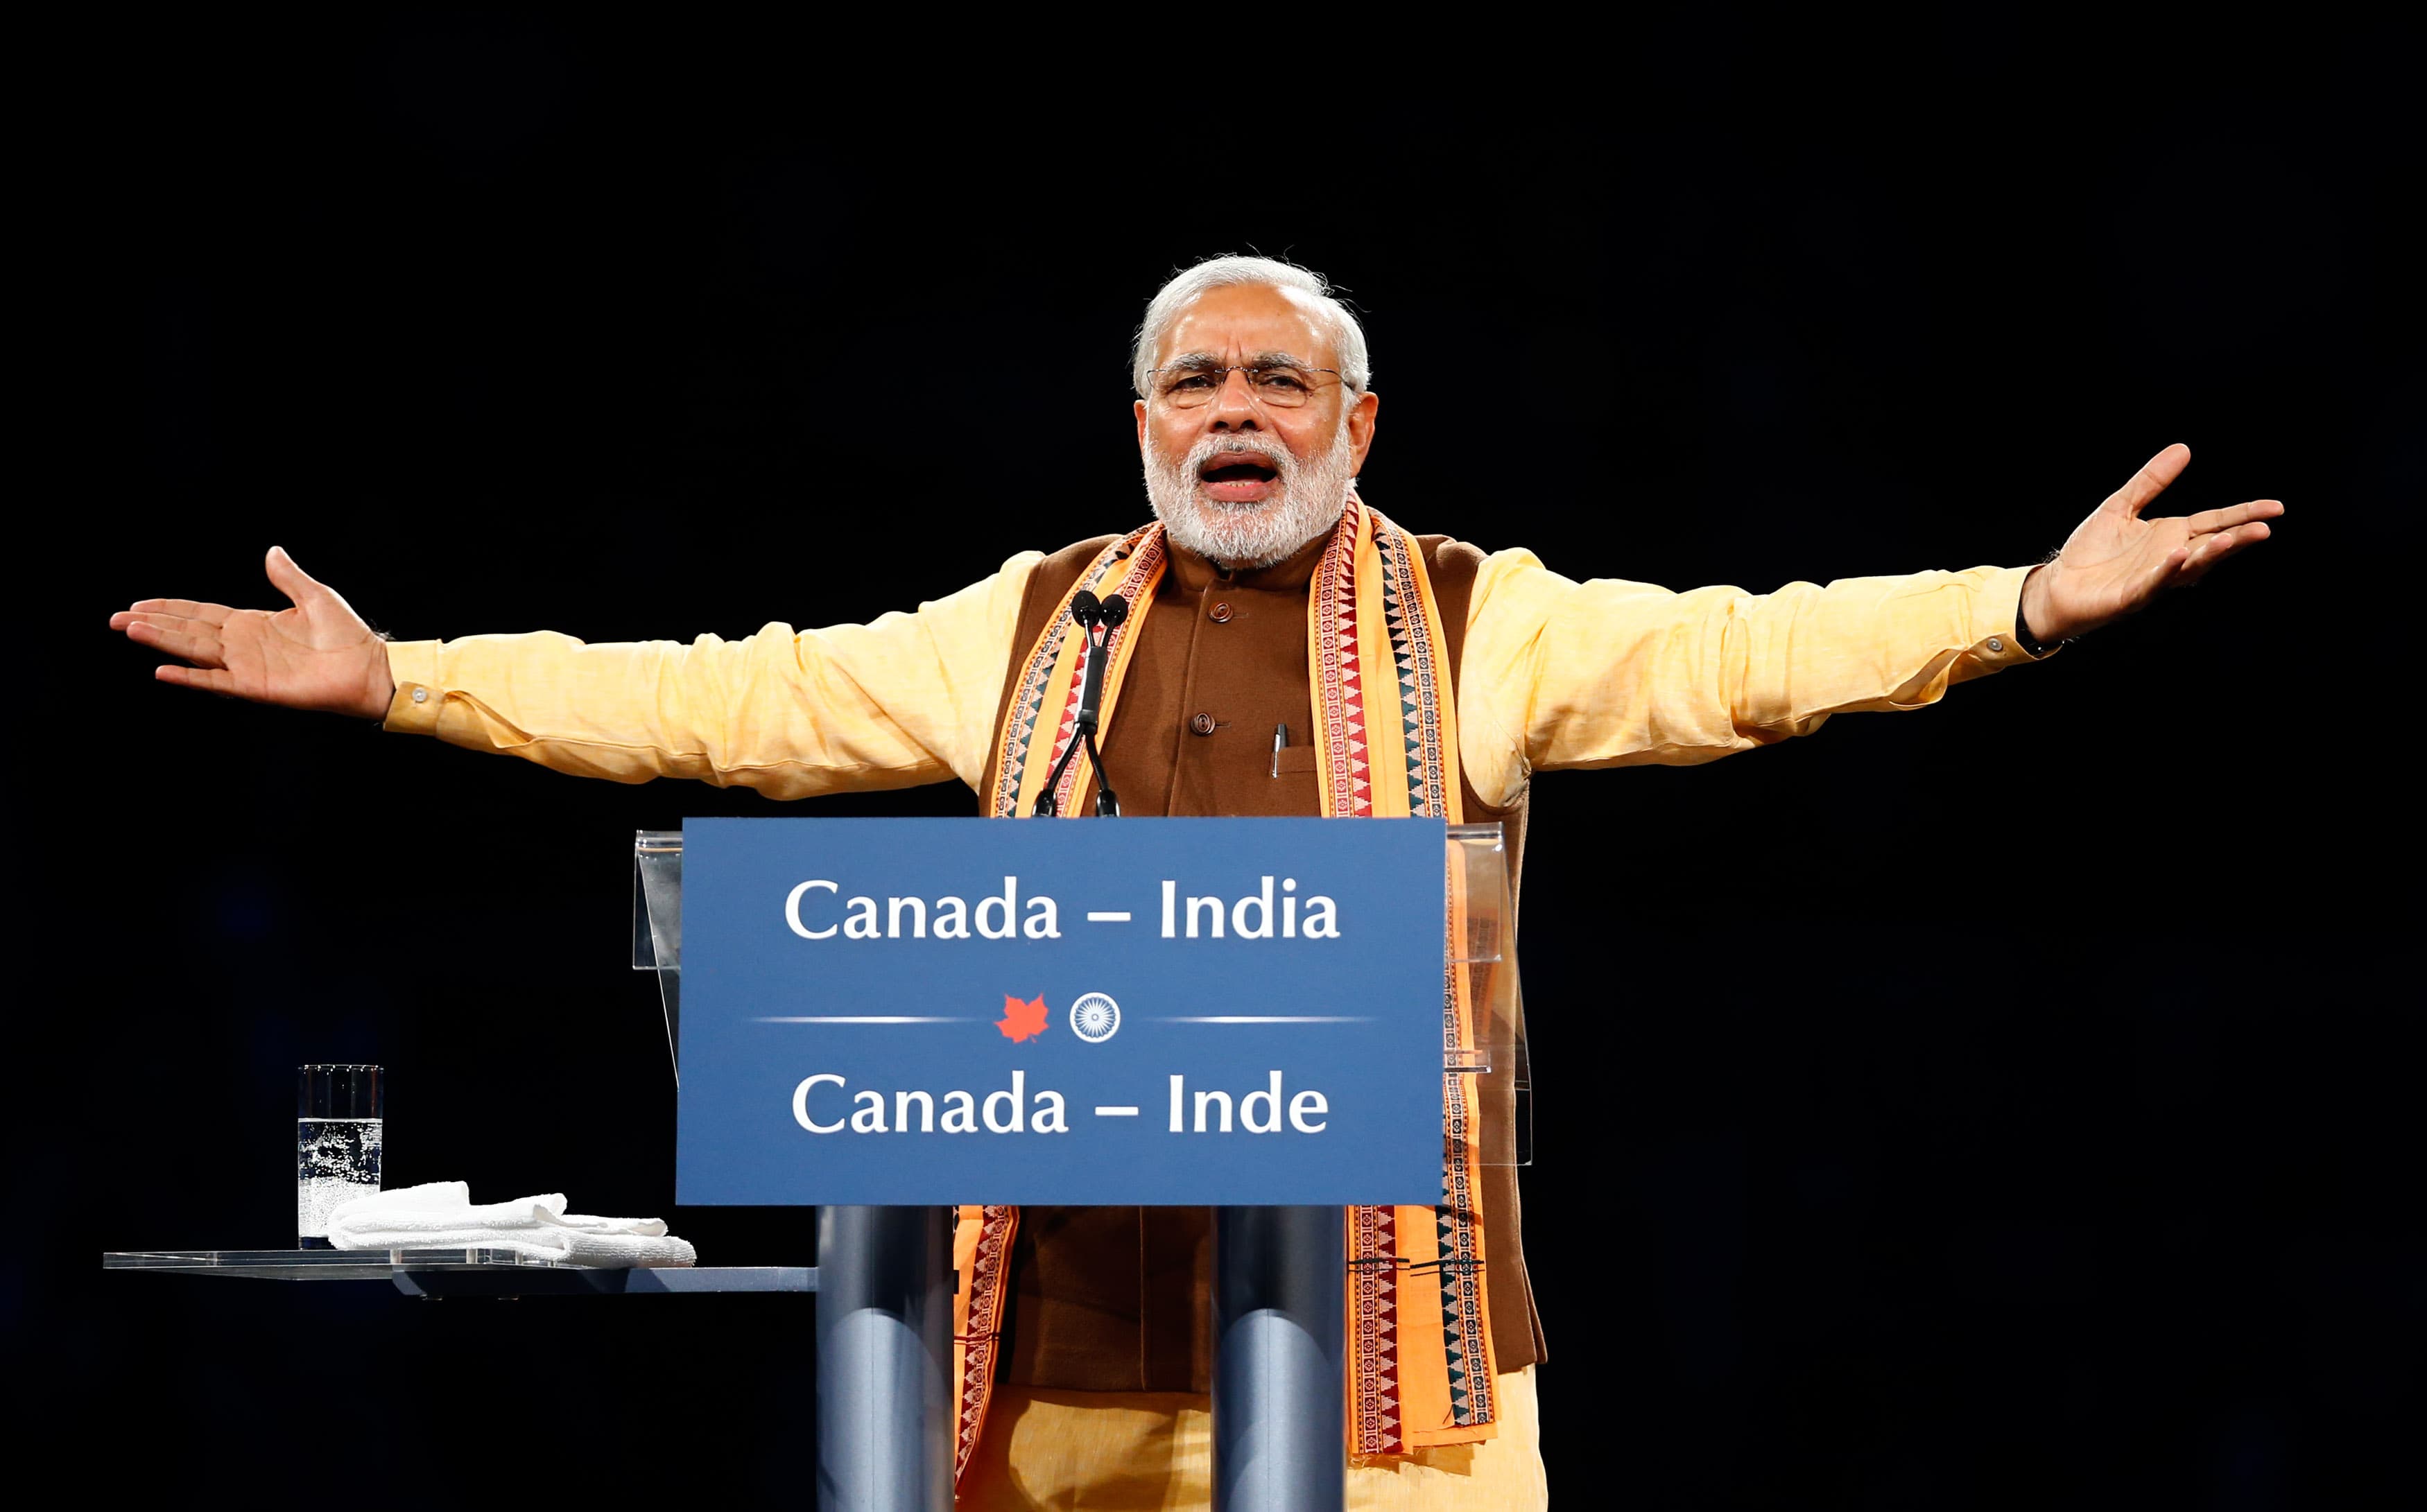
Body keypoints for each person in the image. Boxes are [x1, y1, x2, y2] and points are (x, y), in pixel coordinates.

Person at [110, 254, 2280, 1511]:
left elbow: (1742, 652)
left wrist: (2009, 606)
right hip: (1054, 1349)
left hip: (1393, 1365)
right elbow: (727, 700)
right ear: (1141, 424)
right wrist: (408, 680)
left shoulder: (1472, 617)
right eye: (1192, 380)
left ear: (1353, 417)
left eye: (1275, 376)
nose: (1231, 406)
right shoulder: (1034, 621)